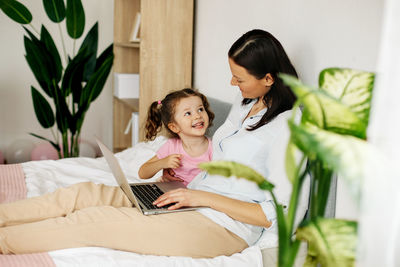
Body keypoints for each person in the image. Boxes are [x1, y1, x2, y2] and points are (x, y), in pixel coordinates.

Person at [0, 29, 309, 258]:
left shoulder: (288, 127)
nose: (233, 84)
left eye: (239, 79)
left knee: (92, 221)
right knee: (84, 192)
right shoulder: (245, 104)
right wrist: (184, 185)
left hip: (222, 226)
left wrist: (199, 198)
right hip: (192, 198)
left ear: (268, 78)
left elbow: (272, 215)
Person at [138, 88, 214, 186]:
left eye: (200, 109)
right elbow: (142, 173)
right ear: (174, 127)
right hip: (174, 193)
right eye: (188, 113)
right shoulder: (171, 146)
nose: (197, 116)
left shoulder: (214, 147)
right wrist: (162, 163)